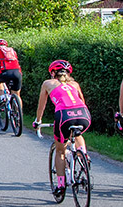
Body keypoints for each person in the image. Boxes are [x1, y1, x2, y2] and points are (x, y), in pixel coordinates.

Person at [34, 60, 90, 199]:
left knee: (60, 151)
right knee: (78, 134)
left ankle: (60, 185)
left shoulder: (47, 83)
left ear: (53, 73)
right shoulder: (75, 84)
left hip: (64, 115)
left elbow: (42, 105)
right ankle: (83, 155)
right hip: (83, 115)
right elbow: (82, 101)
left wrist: (38, 121)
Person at [0, 39, 23, 109]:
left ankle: (2, 97)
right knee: (17, 95)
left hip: (5, 72)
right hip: (17, 73)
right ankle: (19, 115)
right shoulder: (13, 51)